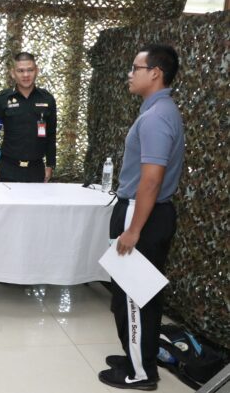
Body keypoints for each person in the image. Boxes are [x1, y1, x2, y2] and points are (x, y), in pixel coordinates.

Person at [98, 44, 184, 391]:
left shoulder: (156, 117)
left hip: (141, 212)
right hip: (142, 210)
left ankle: (141, 373)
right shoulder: (158, 110)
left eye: (136, 68)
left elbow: (151, 180)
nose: (130, 74)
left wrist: (134, 229)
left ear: (155, 73)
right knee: (133, 295)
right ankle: (136, 356)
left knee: (133, 298)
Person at [0, 52, 56, 183]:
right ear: (13, 73)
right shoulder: (2, 99)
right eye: (20, 71)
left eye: (30, 70)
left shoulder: (47, 99)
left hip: (36, 170)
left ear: (36, 71)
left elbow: (51, 134)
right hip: (7, 169)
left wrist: (50, 164)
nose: (26, 75)